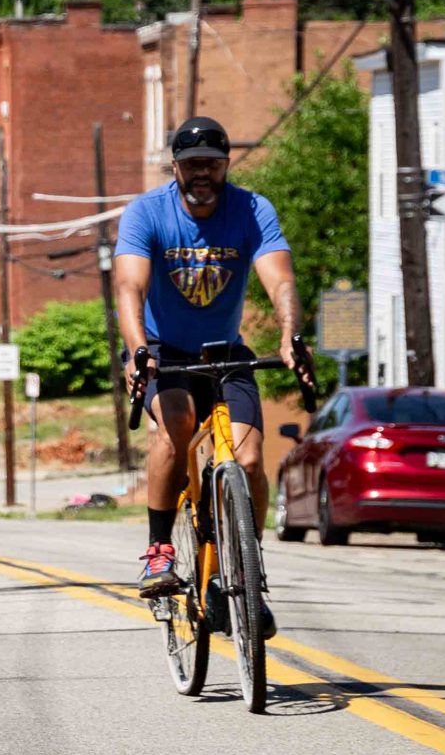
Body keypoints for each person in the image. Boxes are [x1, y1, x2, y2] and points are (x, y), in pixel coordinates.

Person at [113, 115, 308, 631]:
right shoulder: (146, 212)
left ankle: (243, 570)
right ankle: (159, 551)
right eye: (193, 164)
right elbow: (129, 288)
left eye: (213, 165)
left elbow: (280, 280)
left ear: (226, 166)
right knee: (175, 424)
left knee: (247, 459)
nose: (203, 174)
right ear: (174, 166)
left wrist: (290, 335)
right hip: (163, 351)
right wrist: (138, 352)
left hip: (225, 351)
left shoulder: (252, 209)